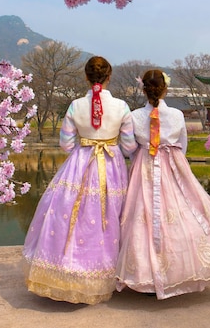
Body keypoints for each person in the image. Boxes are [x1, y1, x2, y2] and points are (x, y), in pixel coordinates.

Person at [115, 69, 210, 299]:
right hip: (173, 165)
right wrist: (174, 161)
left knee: (140, 217)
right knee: (182, 213)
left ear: (143, 90)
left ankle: (146, 276)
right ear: (165, 89)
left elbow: (129, 148)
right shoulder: (176, 115)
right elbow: (182, 145)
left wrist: (142, 158)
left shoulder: (134, 116)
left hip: (144, 165)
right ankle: (176, 272)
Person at [23, 56, 136, 305]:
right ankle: (105, 273)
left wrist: (85, 143)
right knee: (108, 218)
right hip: (110, 166)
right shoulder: (121, 107)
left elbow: (65, 144)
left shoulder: (75, 105)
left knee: (72, 217)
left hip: (80, 164)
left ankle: (66, 270)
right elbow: (129, 146)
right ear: (109, 77)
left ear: (86, 77)